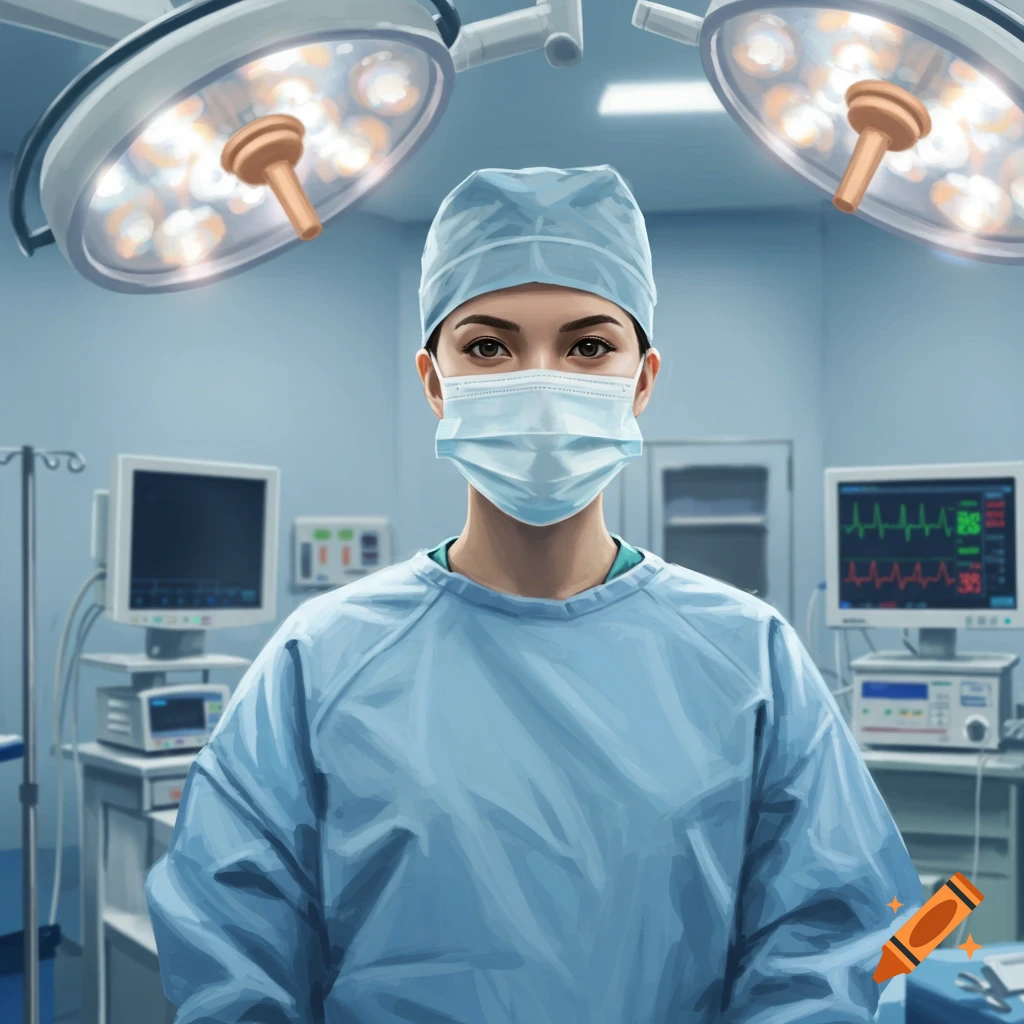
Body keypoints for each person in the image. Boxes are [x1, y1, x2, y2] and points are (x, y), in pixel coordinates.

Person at [146, 166, 921, 1023]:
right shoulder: (321, 660)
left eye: (588, 345)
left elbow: (828, 952)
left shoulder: (749, 658)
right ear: (435, 381)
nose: (541, 380)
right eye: (488, 346)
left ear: (643, 379)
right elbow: (234, 957)